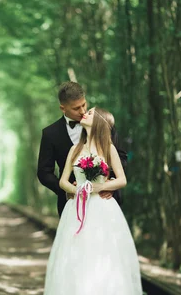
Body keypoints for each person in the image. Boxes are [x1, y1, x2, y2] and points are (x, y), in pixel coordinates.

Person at [41, 107, 142, 295]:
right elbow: (64, 180)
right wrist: (76, 190)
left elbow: (122, 180)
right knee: (75, 259)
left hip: (103, 210)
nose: (85, 113)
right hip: (77, 207)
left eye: (90, 112)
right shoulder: (75, 149)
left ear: (98, 122)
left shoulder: (109, 149)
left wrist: (100, 187)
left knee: (104, 259)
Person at [37, 82, 127, 216]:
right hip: (72, 203)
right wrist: (68, 190)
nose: (83, 111)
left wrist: (110, 183)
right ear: (63, 108)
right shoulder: (50, 134)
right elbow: (44, 173)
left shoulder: (104, 124)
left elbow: (121, 157)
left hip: (105, 199)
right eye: (76, 108)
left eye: (84, 105)